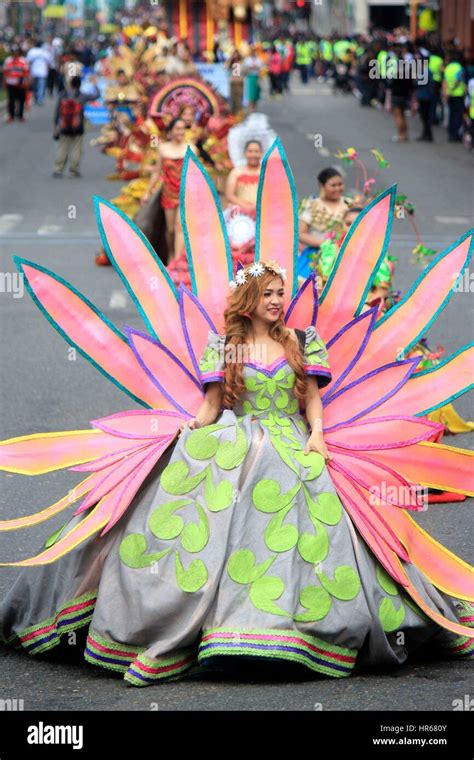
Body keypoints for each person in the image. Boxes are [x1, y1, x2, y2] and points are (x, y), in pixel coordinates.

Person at [0, 145, 473, 686]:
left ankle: (278, 626)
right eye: (269, 294)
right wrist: (188, 429)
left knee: (295, 492)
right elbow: (210, 407)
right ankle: (177, 620)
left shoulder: (301, 340)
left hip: (290, 437)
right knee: (184, 496)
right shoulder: (224, 346)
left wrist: (317, 438)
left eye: (282, 293)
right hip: (229, 437)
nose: (278, 301)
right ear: (249, 298)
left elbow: (312, 400)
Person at [141, 117, 198, 258]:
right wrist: (147, 192)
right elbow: (156, 172)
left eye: (183, 129)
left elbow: (196, 174)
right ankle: (171, 253)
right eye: (177, 129)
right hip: (169, 192)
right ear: (171, 131)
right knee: (171, 229)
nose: (180, 132)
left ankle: (177, 259)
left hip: (185, 194)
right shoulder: (163, 149)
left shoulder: (192, 149)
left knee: (180, 227)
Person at [298, 168, 351, 279]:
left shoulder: (349, 204)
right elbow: (301, 233)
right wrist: (324, 244)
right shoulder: (312, 205)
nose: (338, 188)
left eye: (340, 184)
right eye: (333, 185)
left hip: (344, 255)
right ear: (322, 186)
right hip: (316, 255)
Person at [52, 74, 100, 178]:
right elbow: (97, 95)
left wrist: (56, 125)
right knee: (76, 148)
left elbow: (57, 112)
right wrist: (95, 84)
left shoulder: (63, 95)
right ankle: (74, 169)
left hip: (64, 126)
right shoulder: (82, 96)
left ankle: (58, 169)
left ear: (71, 84)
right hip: (78, 127)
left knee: (62, 147)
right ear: (80, 84)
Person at [225, 139, 263, 219]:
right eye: (250, 151)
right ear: (245, 153)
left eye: (257, 151)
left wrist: (257, 206)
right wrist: (246, 206)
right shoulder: (236, 172)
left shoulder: (266, 173)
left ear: (261, 153)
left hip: (263, 211)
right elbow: (229, 195)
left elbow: (272, 194)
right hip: (241, 213)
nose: (253, 154)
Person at [443, 50, 467, 143]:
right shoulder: (459, 68)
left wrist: (445, 93)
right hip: (457, 95)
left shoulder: (448, 67)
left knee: (451, 115)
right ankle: (455, 134)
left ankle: (450, 134)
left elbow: (444, 82)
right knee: (457, 116)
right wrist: (451, 91)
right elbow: (458, 81)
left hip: (450, 96)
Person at [3, 45, 29, 122]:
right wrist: (4, 82)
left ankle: (20, 115)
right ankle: (11, 115)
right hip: (10, 83)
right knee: (11, 100)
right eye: (13, 52)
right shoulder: (8, 60)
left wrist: (27, 82)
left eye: (16, 52)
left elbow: (26, 72)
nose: (15, 53)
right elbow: (5, 72)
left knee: (21, 100)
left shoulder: (23, 61)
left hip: (21, 84)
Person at [26, 39, 52, 105]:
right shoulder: (45, 52)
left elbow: (28, 62)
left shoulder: (32, 51)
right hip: (42, 72)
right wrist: (48, 71)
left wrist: (28, 71)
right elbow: (49, 63)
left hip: (34, 72)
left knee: (35, 86)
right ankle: (39, 99)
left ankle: (36, 98)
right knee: (41, 86)